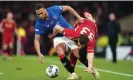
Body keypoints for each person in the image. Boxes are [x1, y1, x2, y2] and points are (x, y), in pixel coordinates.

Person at [34, 3, 84, 80]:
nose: (40, 15)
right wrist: (39, 53)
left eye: (41, 13)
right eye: (38, 14)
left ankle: (91, 68)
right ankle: (73, 74)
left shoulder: (54, 9)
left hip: (68, 32)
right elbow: (36, 40)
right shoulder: (39, 23)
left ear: (45, 10)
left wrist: (79, 17)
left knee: (78, 55)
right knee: (59, 51)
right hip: (58, 37)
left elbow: (68, 7)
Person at [49, 12, 100, 80]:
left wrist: (90, 66)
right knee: (75, 50)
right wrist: (53, 35)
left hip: (93, 28)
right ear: (78, 39)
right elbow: (57, 27)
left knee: (80, 55)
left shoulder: (91, 41)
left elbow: (90, 54)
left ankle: (92, 71)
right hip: (81, 24)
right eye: (79, 44)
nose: (80, 46)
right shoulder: (73, 34)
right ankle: (72, 74)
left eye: (82, 46)